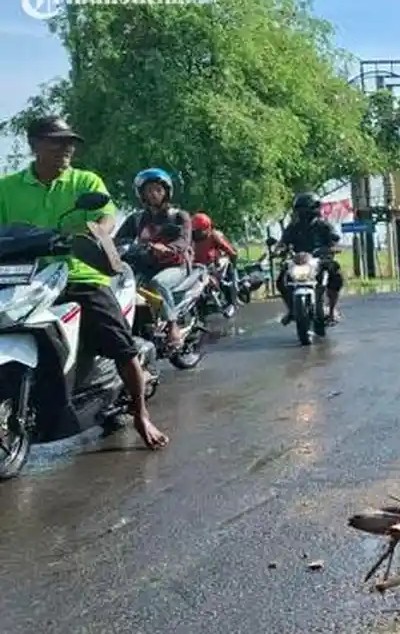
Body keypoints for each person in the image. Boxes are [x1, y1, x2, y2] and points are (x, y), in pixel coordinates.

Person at [0, 116, 167, 449]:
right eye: (57, 141)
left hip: (79, 273)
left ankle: (141, 414)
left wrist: (97, 232)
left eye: (70, 142)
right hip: (24, 277)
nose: (67, 148)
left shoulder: (85, 181)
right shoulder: (7, 187)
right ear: (34, 145)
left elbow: (105, 214)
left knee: (120, 343)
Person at [115, 167, 192, 350]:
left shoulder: (178, 216)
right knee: (123, 286)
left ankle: (172, 326)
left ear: (166, 192)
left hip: (175, 266)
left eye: (158, 189)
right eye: (149, 190)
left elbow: (184, 241)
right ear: (142, 194)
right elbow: (119, 239)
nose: (154, 194)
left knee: (158, 283)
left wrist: (167, 248)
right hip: (146, 265)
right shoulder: (137, 219)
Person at [275, 192, 343, 324]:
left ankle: (331, 311)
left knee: (336, 275)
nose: (304, 212)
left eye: (306, 208)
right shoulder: (293, 227)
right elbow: (283, 242)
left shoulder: (323, 225)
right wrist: (279, 250)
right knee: (281, 280)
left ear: (315, 208)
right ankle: (292, 309)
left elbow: (335, 240)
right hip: (298, 262)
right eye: (301, 208)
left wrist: (332, 248)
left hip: (319, 260)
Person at [192, 212, 239, 307]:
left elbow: (228, 249)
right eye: (197, 231)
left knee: (227, 270)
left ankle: (232, 298)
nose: (198, 233)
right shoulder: (191, 238)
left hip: (209, 266)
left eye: (199, 230)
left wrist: (232, 256)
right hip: (197, 268)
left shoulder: (212, 235)